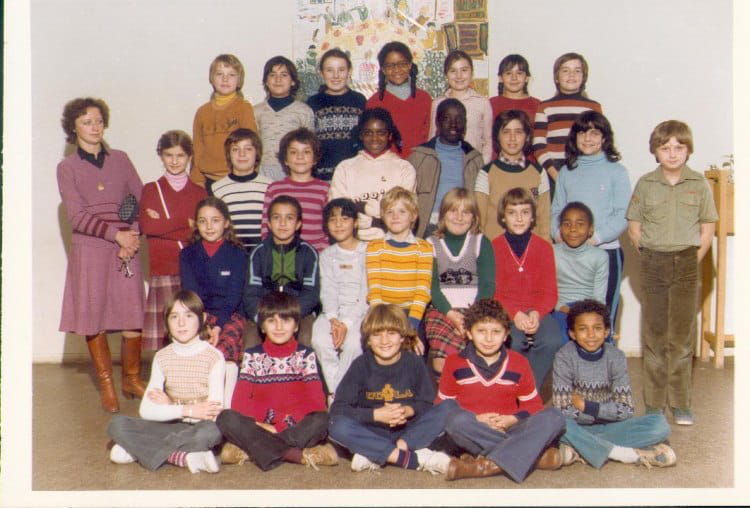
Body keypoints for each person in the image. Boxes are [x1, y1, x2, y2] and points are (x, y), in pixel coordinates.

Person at [57, 97, 146, 413]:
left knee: (133, 314)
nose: (94, 127)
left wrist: (132, 235)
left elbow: (140, 199)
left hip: (126, 249)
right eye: (86, 122)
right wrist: (115, 234)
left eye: (98, 121)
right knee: (94, 318)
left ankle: (131, 379)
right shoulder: (67, 168)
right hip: (91, 251)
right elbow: (77, 216)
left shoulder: (121, 159)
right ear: (74, 129)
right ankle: (107, 385)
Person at [626, 120, 718, 425]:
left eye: (679, 147)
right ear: (655, 151)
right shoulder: (645, 184)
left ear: (688, 150)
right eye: (665, 148)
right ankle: (654, 403)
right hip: (654, 261)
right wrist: (650, 257)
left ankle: (680, 403)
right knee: (654, 334)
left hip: (687, 261)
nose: (673, 153)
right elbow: (635, 228)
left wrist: (691, 259)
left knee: (681, 335)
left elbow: (707, 230)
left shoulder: (699, 184)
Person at [438, 299, 564, 482]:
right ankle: (533, 457)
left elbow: (533, 405)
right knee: (455, 421)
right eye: (481, 331)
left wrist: (512, 419)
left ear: (506, 335)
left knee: (554, 416)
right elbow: (442, 406)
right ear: (469, 333)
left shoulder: (519, 362)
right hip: (474, 429)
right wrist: (477, 419)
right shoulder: (454, 362)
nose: (489, 339)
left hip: (509, 429)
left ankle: (485, 466)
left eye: (496, 332)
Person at [216, 292, 338, 471]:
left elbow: (315, 403)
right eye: (271, 321)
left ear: (296, 326)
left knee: (322, 420)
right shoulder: (252, 356)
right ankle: (294, 455)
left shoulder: (306, 356)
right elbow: (240, 404)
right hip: (262, 426)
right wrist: (267, 423)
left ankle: (255, 450)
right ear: (262, 326)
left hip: (294, 426)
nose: (279, 327)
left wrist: (281, 425)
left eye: (286, 320)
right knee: (226, 418)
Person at [328, 303, 455, 474]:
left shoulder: (415, 362)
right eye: (377, 335)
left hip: (409, 431)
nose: (384, 341)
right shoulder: (360, 365)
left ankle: (381, 452)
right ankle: (408, 458)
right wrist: (376, 415)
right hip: (372, 431)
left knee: (450, 408)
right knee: (336, 425)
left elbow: (426, 403)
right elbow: (338, 409)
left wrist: (408, 411)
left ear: (402, 337)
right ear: (368, 339)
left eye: (392, 333)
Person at [107, 290, 225, 473]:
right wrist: (187, 410)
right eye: (174, 316)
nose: (181, 323)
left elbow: (213, 414)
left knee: (211, 433)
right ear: (166, 322)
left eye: (189, 316)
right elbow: (146, 410)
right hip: (170, 424)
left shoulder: (214, 357)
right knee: (117, 424)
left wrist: (169, 406)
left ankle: (140, 449)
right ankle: (181, 457)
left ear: (202, 318)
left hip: (198, 428)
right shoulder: (162, 356)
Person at [552, 299, 675, 469]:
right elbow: (562, 409)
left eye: (597, 328)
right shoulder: (563, 357)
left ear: (606, 332)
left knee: (660, 425)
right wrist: (606, 412)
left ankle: (580, 447)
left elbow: (626, 410)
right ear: (572, 333)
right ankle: (625, 454)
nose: (591, 335)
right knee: (556, 423)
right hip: (576, 425)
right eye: (583, 329)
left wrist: (587, 406)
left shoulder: (616, 357)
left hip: (609, 425)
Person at [551, 111, 631, 333]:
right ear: (574, 137)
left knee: (601, 314)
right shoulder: (566, 171)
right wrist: (558, 235)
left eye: (594, 133)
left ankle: (606, 351)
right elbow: (556, 209)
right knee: (569, 315)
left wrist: (595, 238)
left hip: (605, 250)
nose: (588, 138)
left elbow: (623, 213)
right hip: (569, 254)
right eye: (582, 133)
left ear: (604, 138)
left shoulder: (617, 171)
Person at [140, 130, 207, 351]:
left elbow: (199, 233)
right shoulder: (151, 190)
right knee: (166, 337)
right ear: (161, 155)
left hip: (192, 270)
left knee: (191, 333)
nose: (175, 161)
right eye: (169, 155)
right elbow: (148, 228)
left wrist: (164, 223)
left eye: (180, 155)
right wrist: (184, 222)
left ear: (189, 156)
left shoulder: (199, 193)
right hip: (163, 269)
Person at [179, 197, 248, 405]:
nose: (209, 227)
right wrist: (204, 323)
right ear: (196, 224)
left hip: (230, 314)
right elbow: (191, 293)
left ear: (226, 223)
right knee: (195, 350)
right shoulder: (187, 254)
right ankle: (196, 402)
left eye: (215, 220)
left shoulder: (238, 254)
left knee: (222, 353)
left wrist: (218, 326)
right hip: (199, 314)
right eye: (203, 221)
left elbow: (234, 296)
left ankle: (224, 407)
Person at [492, 188, 560, 390]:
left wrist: (537, 314)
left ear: (532, 217)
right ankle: (511, 388)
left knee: (553, 340)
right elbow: (494, 291)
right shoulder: (493, 247)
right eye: (512, 213)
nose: (519, 218)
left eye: (525, 212)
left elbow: (550, 292)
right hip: (506, 311)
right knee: (514, 342)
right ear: (503, 217)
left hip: (537, 310)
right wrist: (515, 314)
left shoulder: (544, 247)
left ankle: (530, 390)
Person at [423, 188, 495, 378]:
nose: (459, 217)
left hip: (475, 310)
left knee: (470, 360)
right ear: (443, 213)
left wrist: (472, 317)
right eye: (453, 211)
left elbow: (487, 285)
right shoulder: (430, 244)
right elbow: (432, 286)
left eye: (466, 212)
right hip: (442, 309)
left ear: (474, 217)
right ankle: (447, 394)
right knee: (442, 363)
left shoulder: (481, 242)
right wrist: (450, 314)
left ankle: (471, 392)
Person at [243, 195, 320, 348]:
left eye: (289, 218)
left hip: (298, 311)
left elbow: (311, 294)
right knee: (251, 343)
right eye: (277, 218)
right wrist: (262, 319)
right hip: (265, 310)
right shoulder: (258, 252)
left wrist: (290, 318)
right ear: (269, 224)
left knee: (307, 339)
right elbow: (251, 293)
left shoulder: (308, 252)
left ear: (298, 224)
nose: (282, 223)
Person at [329, 107, 416, 241]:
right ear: (360, 135)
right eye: (368, 133)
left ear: (389, 135)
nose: (374, 138)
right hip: (353, 242)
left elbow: (403, 213)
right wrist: (379, 217)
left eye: (381, 133)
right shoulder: (345, 168)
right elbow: (340, 211)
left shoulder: (404, 168)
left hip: (391, 242)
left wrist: (362, 207)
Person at [311, 198, 368, 398]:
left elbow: (366, 293)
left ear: (356, 222)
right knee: (319, 339)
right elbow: (328, 290)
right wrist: (334, 319)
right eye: (333, 219)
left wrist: (346, 323)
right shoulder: (327, 255)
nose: (338, 224)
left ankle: (340, 395)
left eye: (345, 219)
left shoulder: (368, 251)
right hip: (333, 312)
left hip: (361, 312)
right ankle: (336, 392)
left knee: (353, 344)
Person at [366, 187, 433, 353]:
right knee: (376, 347)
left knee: (415, 351)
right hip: (382, 311)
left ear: (413, 216)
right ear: (382, 216)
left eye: (402, 211)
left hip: (412, 313)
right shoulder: (374, 247)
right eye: (389, 212)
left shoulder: (424, 248)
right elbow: (375, 291)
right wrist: (383, 325)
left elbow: (422, 292)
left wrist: (411, 327)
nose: (395, 216)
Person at [409, 98, 484, 238]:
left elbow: (479, 201)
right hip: (429, 224)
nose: (453, 124)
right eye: (447, 118)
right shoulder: (419, 156)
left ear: (465, 123)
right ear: (437, 122)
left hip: (461, 223)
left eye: (459, 119)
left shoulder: (474, 159)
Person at [532, 52, 602, 197]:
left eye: (577, 71)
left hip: (583, 166)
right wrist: (554, 173)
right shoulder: (544, 107)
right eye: (565, 70)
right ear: (557, 77)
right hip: (552, 169)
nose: (571, 75)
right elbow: (538, 144)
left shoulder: (593, 107)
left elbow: (598, 141)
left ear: (584, 77)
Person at [476, 109, 551, 241]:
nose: (512, 138)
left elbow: (545, 222)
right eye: (506, 132)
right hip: (495, 250)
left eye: (518, 132)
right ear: (497, 136)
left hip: (531, 251)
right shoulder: (486, 173)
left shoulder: (539, 173)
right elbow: (478, 224)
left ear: (527, 136)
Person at [190, 54, 257, 188]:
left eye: (231, 75)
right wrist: (197, 179)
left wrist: (249, 177)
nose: (225, 79)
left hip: (237, 178)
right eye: (219, 74)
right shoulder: (202, 112)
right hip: (208, 180)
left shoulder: (244, 108)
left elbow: (253, 146)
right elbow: (197, 148)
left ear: (239, 80)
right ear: (212, 79)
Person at [261, 128, 330, 252]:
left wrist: (322, 253)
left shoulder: (325, 189)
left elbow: (330, 227)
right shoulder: (274, 189)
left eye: (306, 152)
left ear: (315, 159)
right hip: (282, 255)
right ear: (285, 159)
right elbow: (266, 227)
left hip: (317, 254)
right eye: (293, 152)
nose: (300, 157)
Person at [306, 48, 367, 181]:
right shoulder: (313, 102)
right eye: (330, 70)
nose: (336, 75)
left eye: (341, 70)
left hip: (355, 175)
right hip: (322, 176)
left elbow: (365, 140)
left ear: (349, 72)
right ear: (321, 73)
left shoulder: (359, 100)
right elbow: (309, 142)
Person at [551, 202, 609, 343]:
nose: (573, 229)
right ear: (560, 229)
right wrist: (562, 308)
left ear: (590, 229)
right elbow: (547, 291)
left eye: (580, 224)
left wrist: (584, 313)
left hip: (590, 309)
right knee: (561, 339)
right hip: (561, 308)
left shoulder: (600, 256)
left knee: (596, 336)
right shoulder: (551, 252)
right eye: (567, 224)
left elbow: (599, 298)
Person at [208, 128, 270, 253]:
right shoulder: (216, 188)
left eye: (248, 149)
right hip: (230, 254)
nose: (242, 154)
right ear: (228, 155)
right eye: (235, 149)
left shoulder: (269, 186)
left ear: (257, 153)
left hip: (262, 255)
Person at [366, 41, 432, 158]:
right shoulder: (374, 102)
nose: (397, 70)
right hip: (388, 164)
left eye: (402, 64)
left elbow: (429, 137)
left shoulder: (424, 99)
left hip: (420, 162)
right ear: (383, 70)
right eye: (390, 66)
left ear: (410, 65)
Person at [255, 56, 315, 182]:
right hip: (263, 171)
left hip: (294, 170)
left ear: (293, 81)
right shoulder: (256, 111)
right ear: (266, 81)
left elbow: (311, 146)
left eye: (284, 75)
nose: (278, 79)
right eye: (272, 75)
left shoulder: (304, 111)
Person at [428, 50, 493, 164]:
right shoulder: (437, 103)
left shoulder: (482, 103)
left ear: (472, 73)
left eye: (464, 70)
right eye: (453, 71)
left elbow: (488, 140)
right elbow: (432, 138)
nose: (459, 76)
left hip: (473, 165)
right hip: (445, 164)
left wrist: (482, 166)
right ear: (446, 75)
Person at [490, 54, 540, 131]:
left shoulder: (538, 106)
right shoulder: (490, 105)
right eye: (508, 73)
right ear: (500, 78)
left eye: (519, 73)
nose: (514, 78)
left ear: (527, 78)